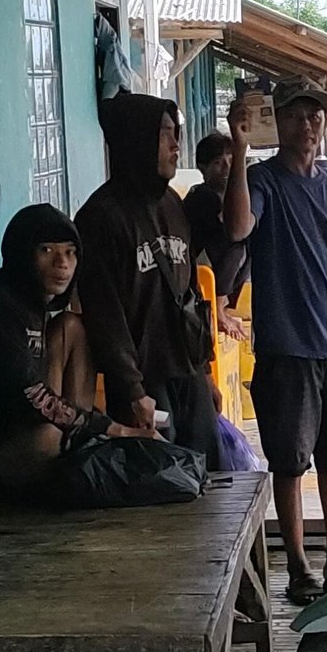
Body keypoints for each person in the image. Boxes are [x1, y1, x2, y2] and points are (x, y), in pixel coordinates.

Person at [222, 78, 327, 603]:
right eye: (296, 114)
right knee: (290, 464)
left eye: (316, 115)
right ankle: (297, 566)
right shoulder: (262, 179)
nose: (308, 124)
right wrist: (240, 148)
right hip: (287, 350)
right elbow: (237, 227)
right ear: (279, 120)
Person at [0, 204, 154, 500]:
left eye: (70, 252)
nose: (62, 263)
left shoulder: (35, 308)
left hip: (25, 433)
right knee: (50, 437)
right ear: (22, 255)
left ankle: (75, 457)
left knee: (72, 327)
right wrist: (115, 430)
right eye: (47, 250)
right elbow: (29, 396)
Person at [75, 93, 220, 464]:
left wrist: (205, 370)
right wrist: (133, 390)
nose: (175, 145)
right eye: (164, 134)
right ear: (137, 140)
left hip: (188, 373)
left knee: (210, 478)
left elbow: (189, 291)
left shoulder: (173, 202)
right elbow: (105, 315)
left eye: (176, 133)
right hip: (143, 384)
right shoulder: (100, 217)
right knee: (160, 481)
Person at [182, 126, 250, 341]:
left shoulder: (230, 196)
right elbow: (227, 235)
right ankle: (218, 308)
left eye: (231, 159)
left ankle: (224, 305)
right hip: (197, 262)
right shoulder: (203, 195)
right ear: (203, 168)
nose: (227, 167)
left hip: (213, 261)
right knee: (237, 242)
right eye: (218, 162)